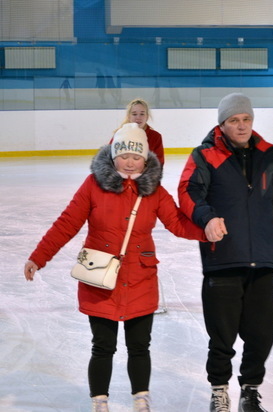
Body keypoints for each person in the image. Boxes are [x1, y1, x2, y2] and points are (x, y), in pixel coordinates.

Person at [24, 123, 208, 412]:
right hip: (101, 281)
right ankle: (100, 401)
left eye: (137, 156)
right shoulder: (93, 186)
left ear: (146, 158)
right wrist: (39, 257)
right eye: (124, 155)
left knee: (139, 347)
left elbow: (177, 223)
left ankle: (141, 399)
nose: (131, 162)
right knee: (102, 347)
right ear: (113, 156)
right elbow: (67, 223)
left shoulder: (154, 191)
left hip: (140, 279)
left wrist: (206, 230)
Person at [178, 93, 273, 412]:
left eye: (246, 119)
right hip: (223, 258)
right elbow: (188, 193)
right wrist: (207, 217)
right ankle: (219, 390)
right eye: (234, 120)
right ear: (223, 124)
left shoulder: (265, 157)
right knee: (222, 335)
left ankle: (250, 391)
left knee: (261, 335)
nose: (242, 125)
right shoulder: (205, 155)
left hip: (261, 260)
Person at [111, 99, 165, 166]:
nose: (138, 117)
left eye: (142, 114)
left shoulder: (155, 137)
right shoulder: (119, 134)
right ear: (129, 116)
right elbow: (108, 159)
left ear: (147, 116)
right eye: (134, 114)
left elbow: (159, 163)